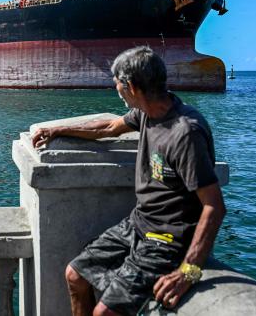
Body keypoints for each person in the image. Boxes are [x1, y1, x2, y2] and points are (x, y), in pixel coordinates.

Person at [31, 46, 226, 316]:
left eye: (117, 84)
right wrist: (58, 129)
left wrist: (188, 271)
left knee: (104, 313)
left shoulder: (185, 134)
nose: (116, 89)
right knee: (75, 275)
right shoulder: (148, 111)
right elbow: (109, 127)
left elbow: (214, 206)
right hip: (139, 223)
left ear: (132, 87)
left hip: (168, 240)